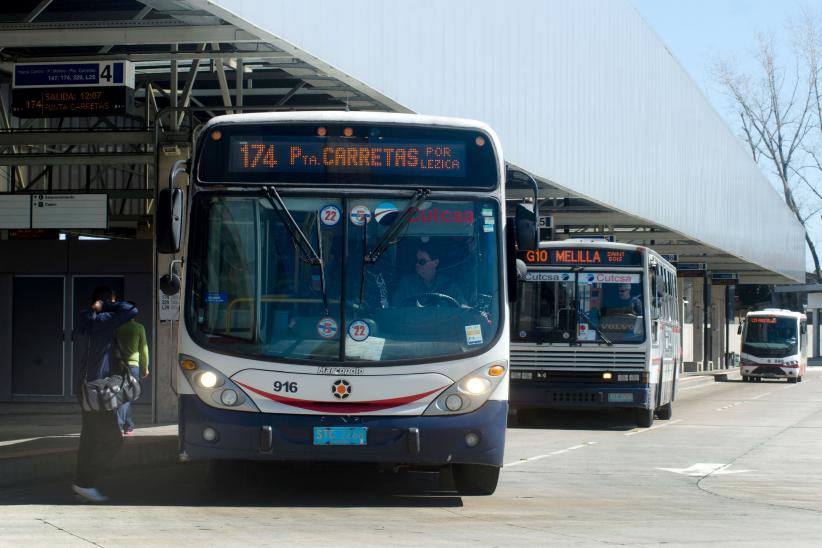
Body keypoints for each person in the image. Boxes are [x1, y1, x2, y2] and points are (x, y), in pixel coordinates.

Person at [73, 286, 138, 503]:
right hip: (97, 391)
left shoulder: (84, 318)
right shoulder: (103, 320)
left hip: (83, 388)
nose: (114, 304)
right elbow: (131, 310)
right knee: (113, 440)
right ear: (103, 302)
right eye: (111, 300)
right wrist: (108, 305)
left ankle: (81, 484)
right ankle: (84, 482)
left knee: (89, 438)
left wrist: (101, 305)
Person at [115, 302, 149, 436]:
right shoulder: (139, 327)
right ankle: (119, 424)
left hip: (119, 365)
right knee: (127, 396)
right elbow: (144, 349)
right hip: (133, 366)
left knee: (123, 395)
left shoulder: (118, 327)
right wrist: (145, 367)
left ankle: (129, 425)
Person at [393, 245, 466, 306]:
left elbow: (465, 309)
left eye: (422, 262)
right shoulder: (406, 284)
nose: (417, 265)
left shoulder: (450, 286)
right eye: (417, 261)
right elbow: (395, 310)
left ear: (435, 263)